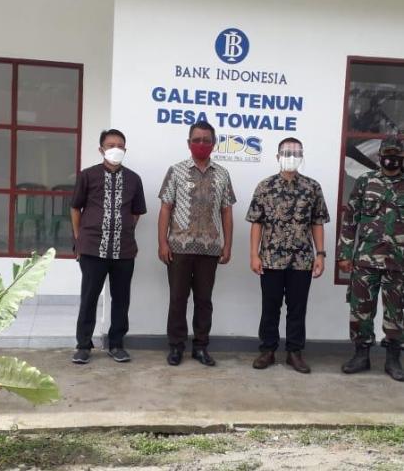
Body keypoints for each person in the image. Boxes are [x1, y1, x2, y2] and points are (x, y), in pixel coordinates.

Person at [246, 138, 330, 374]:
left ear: (302, 157)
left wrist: (320, 254)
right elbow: (256, 222)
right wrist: (254, 254)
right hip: (271, 259)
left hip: (302, 260)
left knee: (297, 308)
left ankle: (295, 352)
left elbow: (317, 222)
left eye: (296, 153)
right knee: (270, 307)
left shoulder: (312, 187)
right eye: (286, 153)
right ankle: (268, 350)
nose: (291, 157)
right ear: (277, 157)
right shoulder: (265, 186)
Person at [157, 120, 235, 367]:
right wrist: (162, 243)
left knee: (204, 301)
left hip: (209, 250)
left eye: (206, 140)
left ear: (214, 143)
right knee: (177, 299)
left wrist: (227, 245)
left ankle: (200, 347)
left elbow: (226, 212)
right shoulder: (176, 171)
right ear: (189, 143)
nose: (201, 144)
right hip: (178, 248)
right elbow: (165, 208)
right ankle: (176, 347)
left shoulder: (222, 174)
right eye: (197, 140)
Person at [71, 129, 147, 364]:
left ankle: (116, 344)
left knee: (121, 299)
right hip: (92, 248)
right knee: (89, 298)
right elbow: (75, 208)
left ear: (125, 150)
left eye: (120, 145)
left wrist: (123, 230)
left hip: (124, 250)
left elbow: (136, 212)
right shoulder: (87, 176)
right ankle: (83, 345)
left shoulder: (134, 179)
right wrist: (79, 238)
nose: (116, 149)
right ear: (101, 149)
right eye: (111, 145)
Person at [338, 136, 404, 382]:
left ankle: (393, 359)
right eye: (387, 154)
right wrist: (345, 253)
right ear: (380, 156)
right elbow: (350, 220)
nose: (391, 159)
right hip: (366, 260)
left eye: (396, 155)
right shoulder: (365, 181)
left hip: (399, 262)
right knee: (360, 310)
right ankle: (361, 355)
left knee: (397, 312)